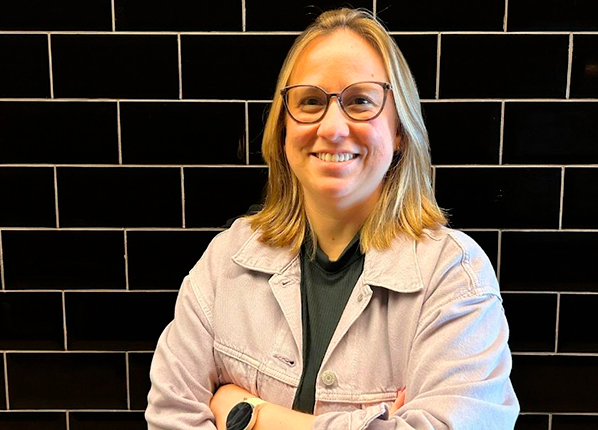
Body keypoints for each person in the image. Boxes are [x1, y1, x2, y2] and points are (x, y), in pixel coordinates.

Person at [146, 8, 519, 430]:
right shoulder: (227, 260)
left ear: (399, 130)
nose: (333, 128)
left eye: (360, 101)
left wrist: (250, 416)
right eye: (310, 101)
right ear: (283, 128)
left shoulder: (452, 277)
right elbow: (169, 416)